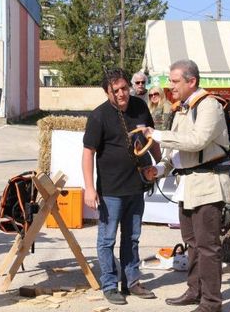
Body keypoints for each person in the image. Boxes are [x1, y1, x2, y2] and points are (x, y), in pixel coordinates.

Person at [141, 59, 230, 312]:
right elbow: (175, 153)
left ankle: (211, 303)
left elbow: (197, 141)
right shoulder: (182, 108)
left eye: (174, 81)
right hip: (189, 185)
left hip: (208, 185)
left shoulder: (209, 106)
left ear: (191, 81)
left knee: (207, 247)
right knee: (193, 243)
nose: (170, 86)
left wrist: (157, 134)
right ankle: (195, 291)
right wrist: (159, 169)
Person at [82, 68, 161, 306]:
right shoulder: (99, 116)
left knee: (132, 238)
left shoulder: (140, 107)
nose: (121, 93)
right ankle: (109, 285)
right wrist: (89, 188)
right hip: (110, 191)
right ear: (107, 92)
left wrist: (161, 164)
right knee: (107, 240)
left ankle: (132, 282)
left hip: (136, 186)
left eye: (124, 88)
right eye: (115, 90)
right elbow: (88, 154)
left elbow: (151, 138)